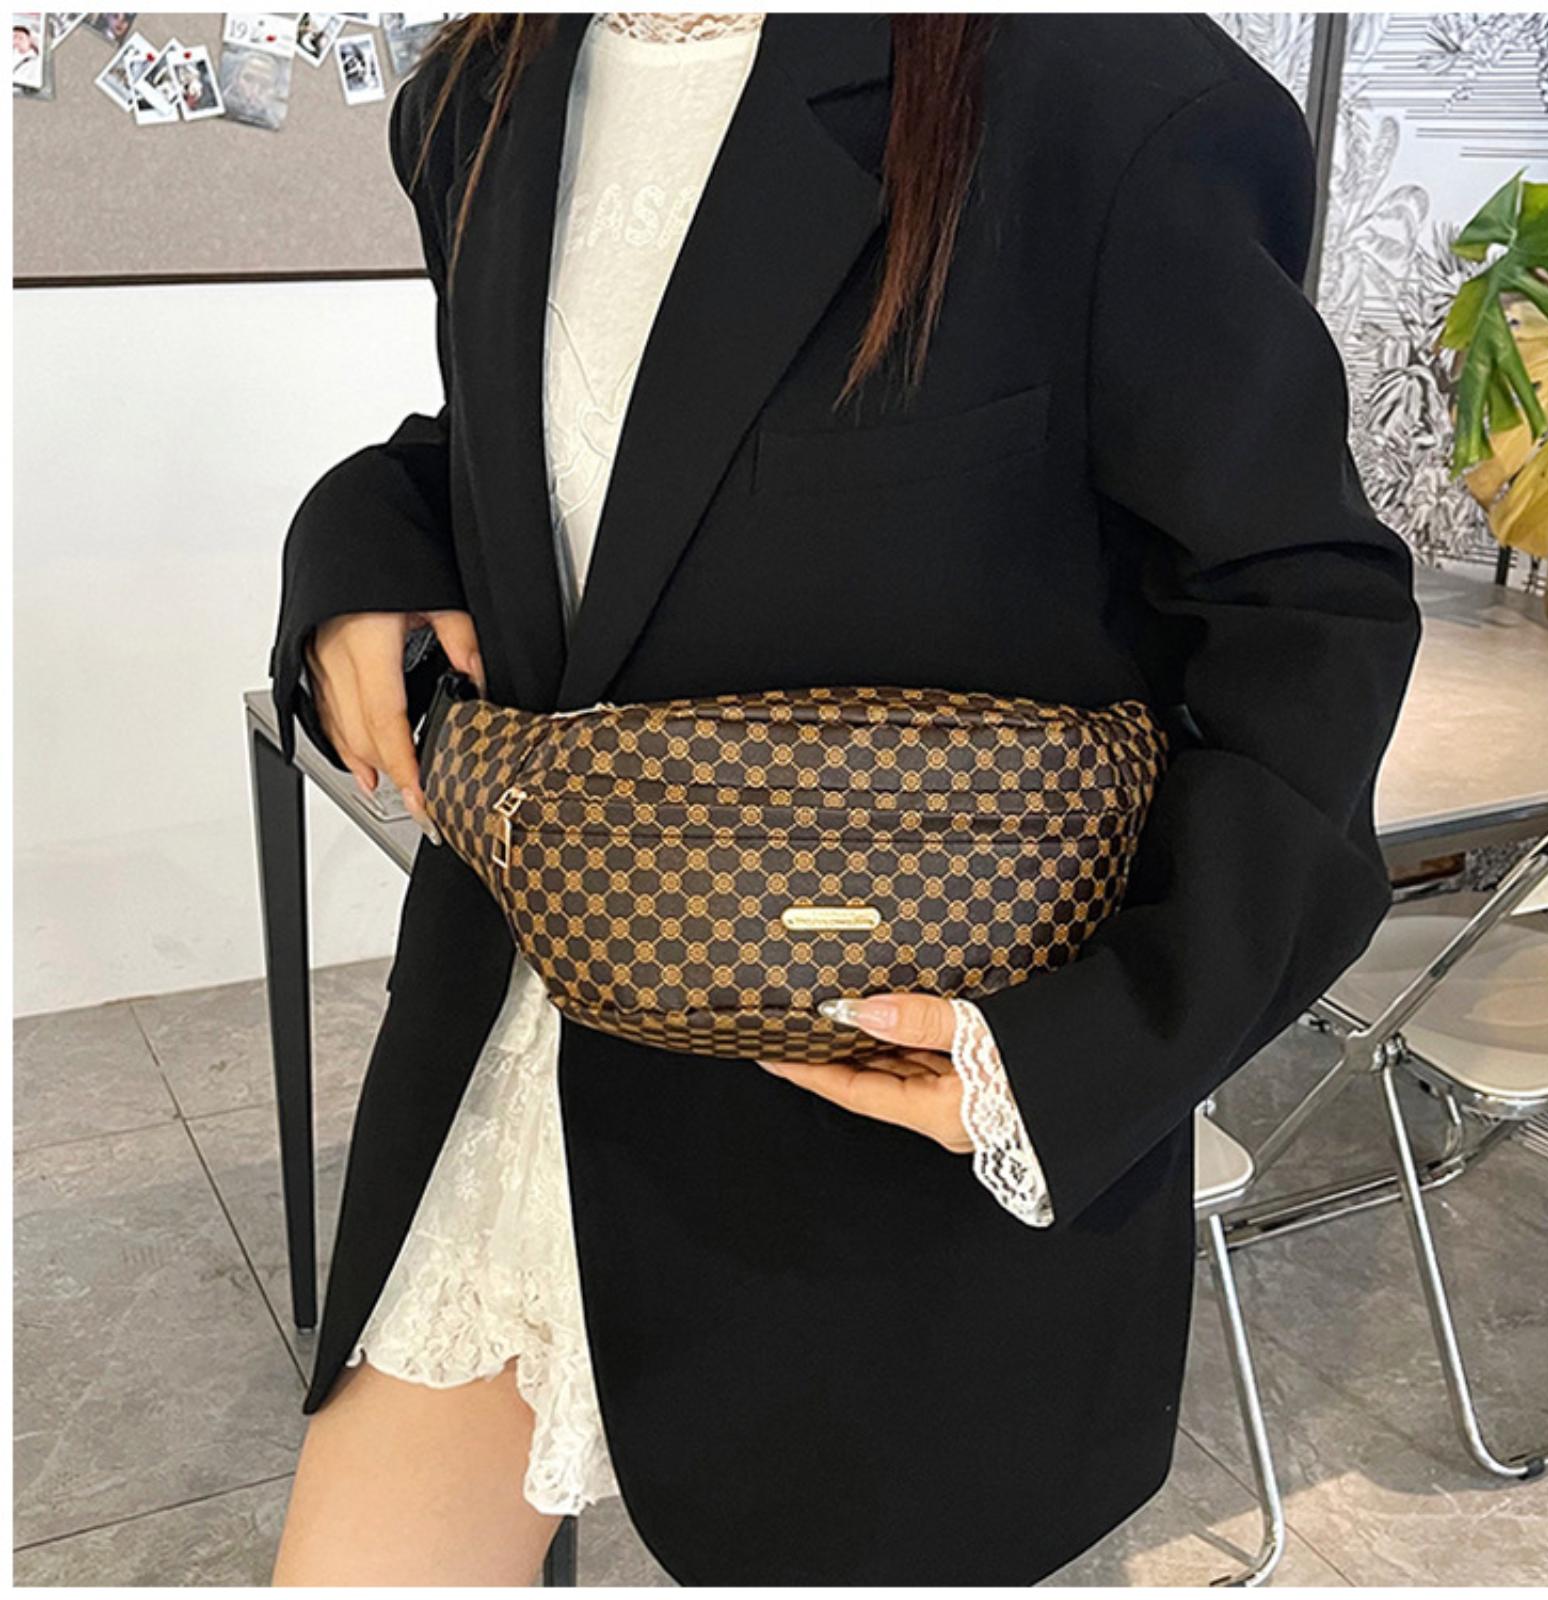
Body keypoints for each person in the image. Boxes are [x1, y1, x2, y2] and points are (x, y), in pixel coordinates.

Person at [268, 12, 1422, 1587]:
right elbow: (581, 460)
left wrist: (1098, 1049)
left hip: (872, 1142)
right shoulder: (477, 95)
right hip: (512, 1042)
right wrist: (355, 539)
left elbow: (1305, 616)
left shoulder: (1108, 92)